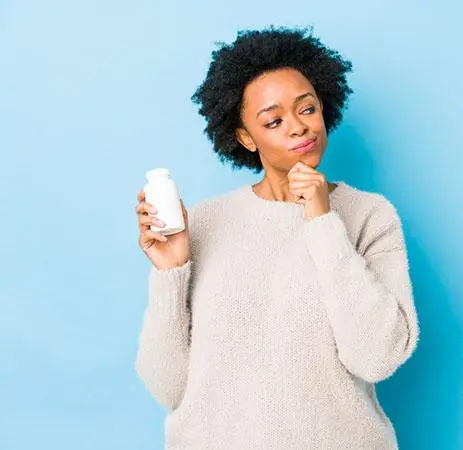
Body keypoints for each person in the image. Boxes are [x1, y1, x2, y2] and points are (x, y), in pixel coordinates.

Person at [134, 26, 419, 450]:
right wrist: (172, 271)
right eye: (273, 120)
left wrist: (322, 221)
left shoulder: (369, 216)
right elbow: (168, 387)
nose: (298, 128)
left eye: (307, 109)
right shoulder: (209, 222)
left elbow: (376, 356)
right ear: (247, 137)